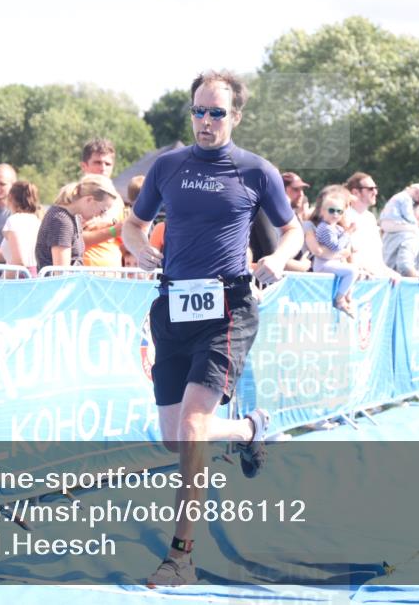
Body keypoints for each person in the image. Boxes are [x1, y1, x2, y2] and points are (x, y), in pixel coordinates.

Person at [122, 70, 302, 588]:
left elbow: (291, 231)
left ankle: (181, 557)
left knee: (195, 428)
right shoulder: (168, 166)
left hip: (229, 309)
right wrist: (137, 245)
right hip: (174, 307)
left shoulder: (256, 171)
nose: (205, 121)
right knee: (172, 437)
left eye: (217, 112)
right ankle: (249, 429)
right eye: (199, 111)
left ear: (235, 117)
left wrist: (281, 258)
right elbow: (132, 223)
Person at [35, 175, 118, 271]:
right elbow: (61, 274)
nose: (100, 216)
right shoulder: (61, 221)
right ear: (89, 200)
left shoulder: (74, 217)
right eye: (102, 210)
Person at [311, 185, 358, 316]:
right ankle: (339, 299)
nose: (335, 214)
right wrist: (348, 232)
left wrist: (348, 236)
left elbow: (347, 247)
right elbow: (336, 246)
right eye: (331, 210)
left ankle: (346, 298)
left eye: (339, 211)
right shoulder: (324, 228)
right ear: (322, 212)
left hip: (333, 263)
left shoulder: (335, 228)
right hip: (323, 265)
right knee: (352, 271)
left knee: (354, 270)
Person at [80, 138, 126, 268]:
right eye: (97, 162)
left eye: (107, 164)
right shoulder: (76, 197)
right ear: (84, 166)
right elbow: (75, 241)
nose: (103, 168)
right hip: (84, 274)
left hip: (113, 275)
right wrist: (113, 230)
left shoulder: (117, 200)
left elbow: (122, 242)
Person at [380, 183, 419, 278]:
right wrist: (414, 224)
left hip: (388, 222)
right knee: (415, 231)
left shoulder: (390, 236)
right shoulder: (405, 198)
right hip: (393, 222)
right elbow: (404, 266)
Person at [0, 181, 41, 277]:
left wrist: (2, 282)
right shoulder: (37, 221)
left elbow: (18, 261)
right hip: (36, 276)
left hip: (18, 279)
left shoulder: (13, 221)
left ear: (10, 198)